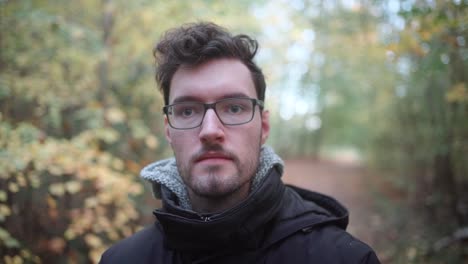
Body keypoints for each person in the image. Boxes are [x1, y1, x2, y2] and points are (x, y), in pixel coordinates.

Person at [100, 22, 380, 263]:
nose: (210, 131)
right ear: (168, 130)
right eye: (187, 111)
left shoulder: (343, 258)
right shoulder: (122, 260)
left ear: (264, 126)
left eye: (234, 108)